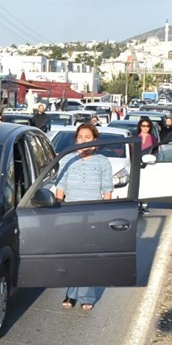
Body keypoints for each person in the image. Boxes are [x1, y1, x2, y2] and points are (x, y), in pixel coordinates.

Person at [54, 122, 114, 311]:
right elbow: (60, 188)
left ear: (95, 141)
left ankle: (86, 295)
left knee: (88, 257)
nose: (83, 140)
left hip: (93, 214)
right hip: (71, 214)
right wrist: (57, 213)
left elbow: (107, 190)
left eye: (88, 137)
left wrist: (105, 216)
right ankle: (71, 294)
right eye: (80, 137)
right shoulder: (67, 160)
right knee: (72, 257)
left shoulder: (103, 161)